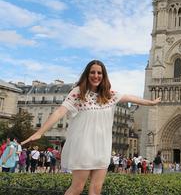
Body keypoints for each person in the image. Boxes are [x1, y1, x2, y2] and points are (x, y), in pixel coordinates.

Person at [21, 60, 161, 195]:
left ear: (103, 75)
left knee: (96, 190)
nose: (96, 76)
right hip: (84, 147)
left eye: (99, 73)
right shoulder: (78, 92)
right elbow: (59, 111)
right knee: (77, 188)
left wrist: (150, 103)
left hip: (102, 148)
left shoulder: (109, 95)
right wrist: (40, 132)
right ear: (87, 75)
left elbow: (131, 98)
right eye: (92, 72)